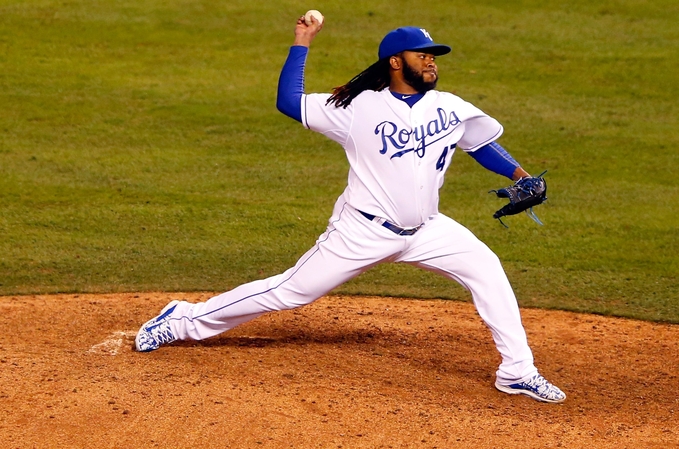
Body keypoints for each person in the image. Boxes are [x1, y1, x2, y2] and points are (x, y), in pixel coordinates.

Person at [134, 15, 566, 404]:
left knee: (486, 268)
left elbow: (482, 144)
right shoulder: (357, 108)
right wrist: (302, 41)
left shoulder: (450, 107)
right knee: (289, 292)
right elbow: (291, 102)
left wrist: (520, 175)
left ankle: (517, 371)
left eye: (435, 56)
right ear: (396, 62)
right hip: (362, 232)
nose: (433, 62)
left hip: (427, 230)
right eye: (424, 55)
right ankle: (184, 320)